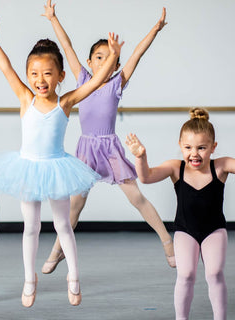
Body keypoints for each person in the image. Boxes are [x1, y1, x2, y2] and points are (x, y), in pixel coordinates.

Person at [0, 15, 123, 307]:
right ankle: (29, 280)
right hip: (27, 167)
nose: (40, 80)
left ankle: (73, 278)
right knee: (31, 227)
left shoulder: (66, 102)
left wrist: (112, 56)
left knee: (63, 225)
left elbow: (96, 80)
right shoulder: (25, 98)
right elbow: (5, 67)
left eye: (47, 74)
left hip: (57, 167)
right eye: (34, 74)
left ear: (61, 76)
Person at [41, 0, 175, 275]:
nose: (104, 62)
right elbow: (66, 46)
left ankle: (167, 241)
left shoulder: (116, 83)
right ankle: (57, 251)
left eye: (110, 58)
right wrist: (53, 19)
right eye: (99, 57)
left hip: (110, 149)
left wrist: (156, 29)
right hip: (87, 150)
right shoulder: (82, 78)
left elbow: (137, 53)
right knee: (75, 206)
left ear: (115, 66)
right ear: (90, 63)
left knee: (136, 198)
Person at [126, 108, 230, 320]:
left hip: (214, 231)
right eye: (188, 147)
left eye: (202, 147)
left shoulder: (221, 166)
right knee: (185, 275)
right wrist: (141, 156)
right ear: (180, 146)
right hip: (185, 231)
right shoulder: (176, 168)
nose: (195, 153)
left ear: (213, 147)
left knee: (215, 274)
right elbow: (145, 177)